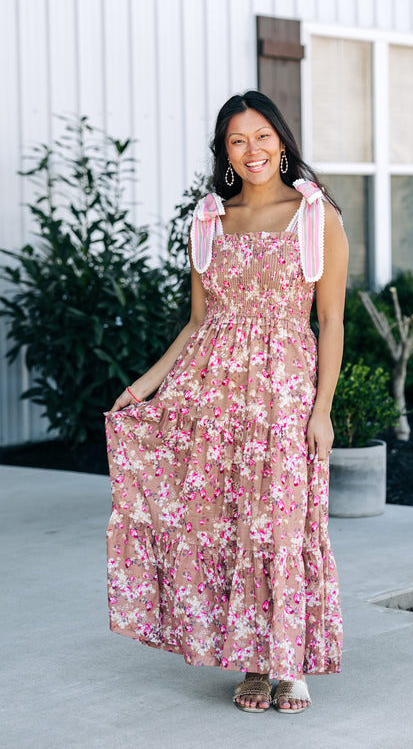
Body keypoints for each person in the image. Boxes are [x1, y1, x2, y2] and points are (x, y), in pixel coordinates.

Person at [106, 90, 349, 714]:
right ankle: (251, 662)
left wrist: (321, 409)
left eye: (262, 136)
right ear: (224, 152)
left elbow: (330, 322)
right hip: (213, 397)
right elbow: (196, 322)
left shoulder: (316, 216)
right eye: (237, 140)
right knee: (232, 521)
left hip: (283, 396)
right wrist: (144, 386)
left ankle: (288, 664)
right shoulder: (210, 218)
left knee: (281, 522)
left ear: (282, 139)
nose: (252, 150)